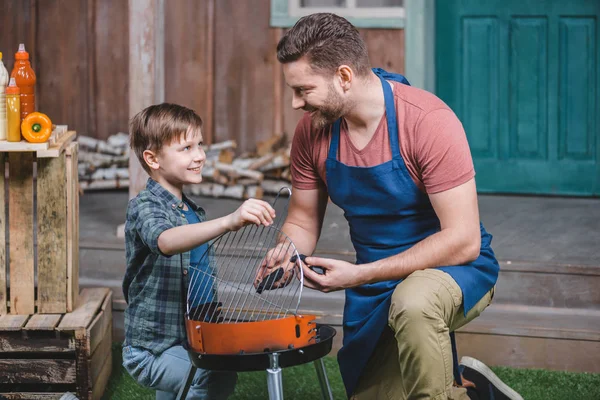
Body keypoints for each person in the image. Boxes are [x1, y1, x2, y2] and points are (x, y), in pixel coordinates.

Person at [264, 12, 523, 400]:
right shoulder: (313, 131)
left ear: (345, 77)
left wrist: (359, 274)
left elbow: (464, 240)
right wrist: (286, 254)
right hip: (374, 282)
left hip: (453, 267)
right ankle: (472, 390)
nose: (295, 103)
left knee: (413, 302)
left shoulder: (427, 121)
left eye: (304, 90)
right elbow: (301, 219)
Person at [122, 103, 276, 399]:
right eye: (186, 148)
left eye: (200, 144)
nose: (200, 155)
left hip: (191, 337)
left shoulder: (192, 211)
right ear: (152, 159)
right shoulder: (144, 206)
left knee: (217, 373)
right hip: (151, 348)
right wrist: (230, 221)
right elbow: (165, 240)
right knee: (206, 377)